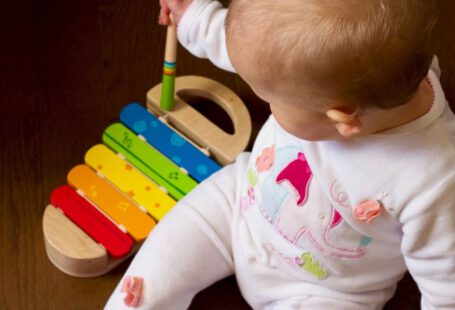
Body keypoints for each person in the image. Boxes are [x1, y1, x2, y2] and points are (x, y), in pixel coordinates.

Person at [106, 0, 455, 308]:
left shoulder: (435, 181)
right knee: (154, 271)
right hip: (239, 205)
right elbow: (261, 49)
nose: (269, 103)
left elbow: (446, 288)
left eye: (272, 99)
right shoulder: (370, 69)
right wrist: (195, 17)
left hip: (326, 290)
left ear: (342, 119)